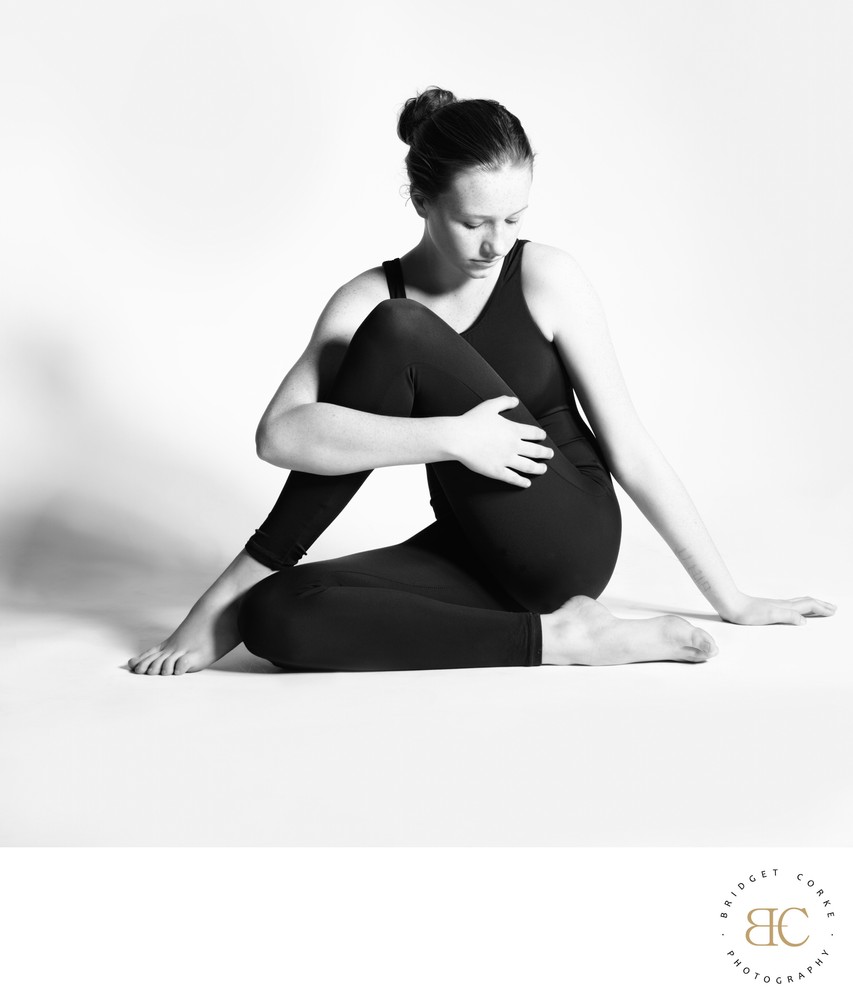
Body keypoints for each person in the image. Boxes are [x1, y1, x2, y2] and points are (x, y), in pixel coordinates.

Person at [127, 88, 836, 675]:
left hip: (565, 530)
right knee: (276, 615)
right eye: (473, 223)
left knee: (399, 328)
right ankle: (559, 640)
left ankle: (224, 596)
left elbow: (632, 448)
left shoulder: (545, 277)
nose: (496, 244)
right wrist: (451, 438)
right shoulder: (365, 297)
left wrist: (733, 599)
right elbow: (279, 436)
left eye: (512, 218)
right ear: (421, 202)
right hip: (472, 552)